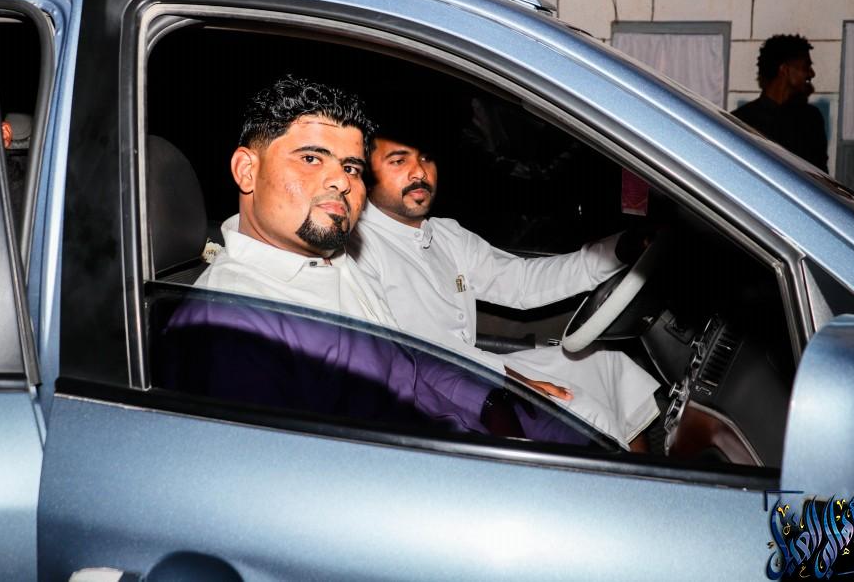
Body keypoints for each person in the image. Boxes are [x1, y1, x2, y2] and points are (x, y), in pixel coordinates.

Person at [166, 76, 589, 444]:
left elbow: (410, 363)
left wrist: (489, 399)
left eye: (351, 167)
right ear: (246, 170)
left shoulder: (335, 261)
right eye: (311, 158)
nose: (340, 180)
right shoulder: (232, 327)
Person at [349, 128, 660, 449]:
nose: (419, 172)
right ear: (366, 175)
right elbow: (412, 358)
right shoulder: (358, 249)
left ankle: (646, 471)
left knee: (607, 365)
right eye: (398, 161)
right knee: (581, 409)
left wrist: (616, 252)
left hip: (477, 367)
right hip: (438, 392)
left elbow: (522, 282)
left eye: (426, 158)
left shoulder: (446, 234)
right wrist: (512, 380)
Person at [732, 34, 827, 172]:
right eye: (806, 67)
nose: (811, 74)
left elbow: (820, 174)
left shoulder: (811, 119)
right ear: (784, 70)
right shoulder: (742, 122)